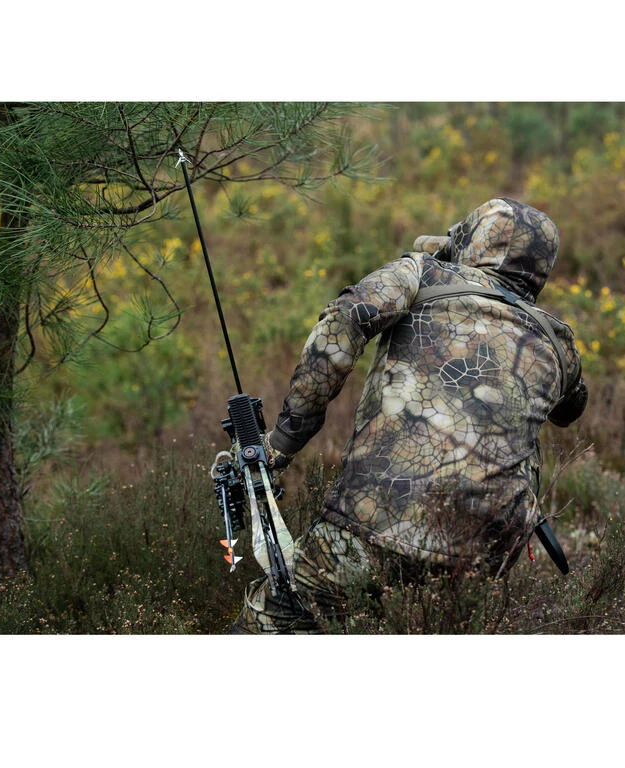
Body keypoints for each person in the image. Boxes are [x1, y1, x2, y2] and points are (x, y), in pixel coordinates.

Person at [230, 197, 588, 633]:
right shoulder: (558, 340)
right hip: (482, 559)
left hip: (373, 525)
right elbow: (572, 409)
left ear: (471, 241)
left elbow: (348, 317)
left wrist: (281, 444)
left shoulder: (422, 272)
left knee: (273, 622)